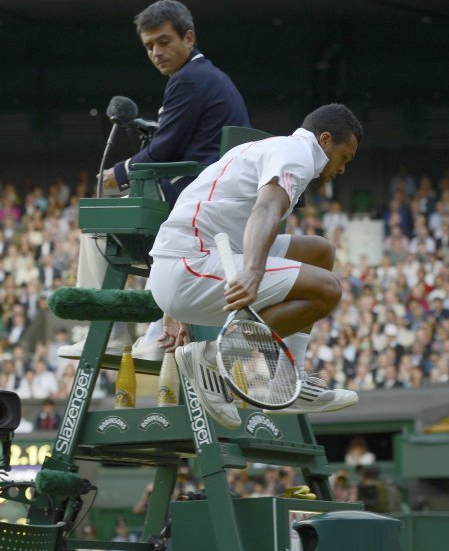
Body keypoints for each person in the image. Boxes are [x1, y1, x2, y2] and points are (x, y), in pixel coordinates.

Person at [148, 104, 362, 428]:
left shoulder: (268, 148)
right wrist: (253, 271)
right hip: (189, 267)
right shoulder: (298, 157)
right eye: (344, 158)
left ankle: (287, 382)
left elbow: (197, 204)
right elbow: (264, 211)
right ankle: (211, 359)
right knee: (327, 289)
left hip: (188, 262)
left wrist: (171, 309)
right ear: (326, 139)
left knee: (320, 252)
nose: (343, 169)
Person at [60, 0, 250, 362]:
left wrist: (115, 176)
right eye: (149, 46)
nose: (156, 52)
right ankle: (153, 336)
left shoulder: (188, 80)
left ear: (189, 37)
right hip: (214, 198)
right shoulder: (213, 78)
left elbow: (163, 153)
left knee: (98, 226)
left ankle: (103, 335)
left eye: (164, 41)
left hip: (193, 196)